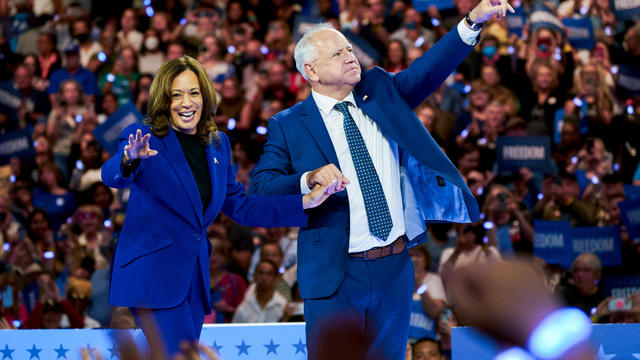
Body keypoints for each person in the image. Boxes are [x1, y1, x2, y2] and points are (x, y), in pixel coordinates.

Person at [248, 0, 514, 357]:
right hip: (335, 274)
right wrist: (307, 179)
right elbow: (261, 186)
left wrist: (471, 21)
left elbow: (429, 70)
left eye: (348, 48)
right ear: (311, 70)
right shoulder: (289, 123)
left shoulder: (380, 90)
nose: (349, 56)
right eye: (336, 54)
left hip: (394, 268)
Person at [101, 55, 341, 357]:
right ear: (163, 99)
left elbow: (241, 206)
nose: (186, 103)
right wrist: (128, 158)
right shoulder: (146, 137)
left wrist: (304, 203)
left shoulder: (217, 144)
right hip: (154, 278)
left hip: (193, 281)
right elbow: (111, 174)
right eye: (176, 95)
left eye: (193, 93)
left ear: (205, 96)